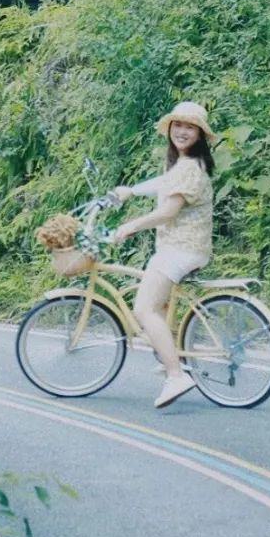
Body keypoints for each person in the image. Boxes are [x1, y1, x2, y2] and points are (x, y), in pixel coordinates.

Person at [108, 101, 216, 409]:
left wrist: (130, 226)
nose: (182, 131)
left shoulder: (189, 166)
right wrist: (131, 191)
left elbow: (168, 211)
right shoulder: (183, 164)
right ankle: (169, 353)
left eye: (190, 127)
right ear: (170, 128)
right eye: (177, 125)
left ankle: (175, 376)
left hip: (180, 249)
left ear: (200, 134)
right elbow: (164, 184)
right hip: (185, 248)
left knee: (144, 309)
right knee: (160, 304)